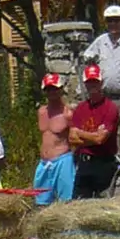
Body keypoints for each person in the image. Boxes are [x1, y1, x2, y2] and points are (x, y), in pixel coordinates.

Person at [68, 65, 120, 198]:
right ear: (85, 84)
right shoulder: (81, 108)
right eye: (89, 82)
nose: (92, 85)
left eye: (95, 81)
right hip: (85, 162)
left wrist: (80, 133)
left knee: (103, 203)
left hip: (104, 162)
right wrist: (93, 135)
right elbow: (72, 139)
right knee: (79, 202)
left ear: (101, 82)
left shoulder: (110, 107)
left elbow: (101, 139)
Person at [81, 5, 120, 98]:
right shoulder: (100, 41)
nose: (113, 23)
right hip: (104, 97)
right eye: (109, 20)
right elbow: (86, 57)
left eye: (116, 20)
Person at [34, 72, 74, 205]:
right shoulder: (41, 111)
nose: (51, 92)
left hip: (63, 160)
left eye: (54, 89)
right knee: (40, 202)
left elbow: (75, 139)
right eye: (48, 89)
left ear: (60, 90)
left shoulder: (67, 113)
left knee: (66, 202)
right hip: (44, 162)